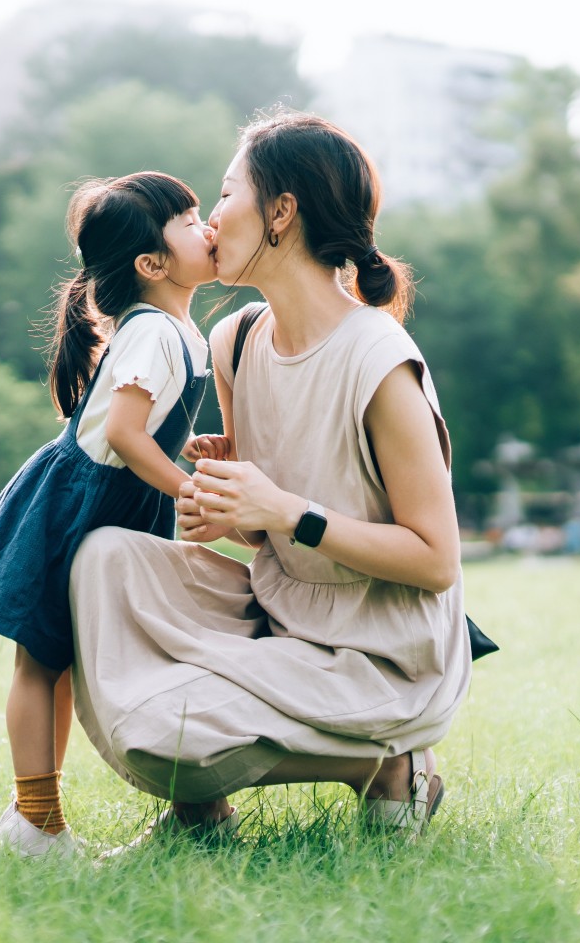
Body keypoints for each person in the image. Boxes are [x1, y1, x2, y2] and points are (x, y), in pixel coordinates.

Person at [68, 112, 471, 848]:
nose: (212, 219)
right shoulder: (238, 338)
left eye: (224, 196)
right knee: (104, 559)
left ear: (281, 212)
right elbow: (266, 529)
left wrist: (287, 510)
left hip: (380, 650)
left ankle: (389, 765)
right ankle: (204, 813)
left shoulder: (379, 362)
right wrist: (235, 508)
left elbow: (437, 561)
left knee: (169, 727)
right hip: (283, 608)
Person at [0, 172, 217, 860]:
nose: (208, 226)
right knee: (42, 661)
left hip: (115, 502)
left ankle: (41, 819)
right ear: (151, 265)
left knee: (67, 661)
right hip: (79, 503)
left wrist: (185, 447)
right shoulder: (153, 331)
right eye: (189, 221)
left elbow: (141, 425)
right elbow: (124, 437)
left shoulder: (179, 331)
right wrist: (186, 488)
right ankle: (35, 824)